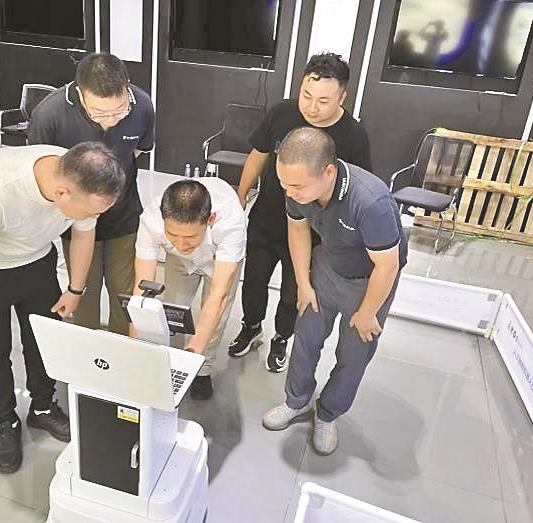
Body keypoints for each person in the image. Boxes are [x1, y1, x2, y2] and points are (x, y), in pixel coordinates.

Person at [0, 142, 125, 473]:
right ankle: (6, 420)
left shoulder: (81, 178)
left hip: (38, 264)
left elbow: (83, 235)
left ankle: (42, 407)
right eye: (91, 212)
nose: (93, 218)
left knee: (45, 341)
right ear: (61, 193)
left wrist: (75, 289)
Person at [261, 128, 407, 456]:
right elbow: (297, 228)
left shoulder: (371, 202)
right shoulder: (294, 187)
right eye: (284, 183)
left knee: (354, 354)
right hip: (326, 266)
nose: (289, 192)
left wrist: (367, 312)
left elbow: (387, 266)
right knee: (307, 337)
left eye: (297, 186)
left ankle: (328, 414)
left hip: (368, 281)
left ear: (328, 172)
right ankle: (296, 401)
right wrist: (303, 283)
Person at [231, 52, 372, 373]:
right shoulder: (282, 113)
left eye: (323, 101)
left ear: (342, 97)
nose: (311, 107)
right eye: (306, 95)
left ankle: (281, 337)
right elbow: (258, 154)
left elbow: (358, 188)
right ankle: (251, 327)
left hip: (314, 233)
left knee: (294, 291)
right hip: (266, 220)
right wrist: (241, 194)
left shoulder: (353, 136)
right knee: (253, 281)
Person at [28, 52, 155, 335]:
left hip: (123, 215)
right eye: (99, 113)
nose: (111, 121)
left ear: (126, 88)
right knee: (83, 291)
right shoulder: (49, 115)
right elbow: (42, 169)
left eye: (119, 111)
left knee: (124, 293)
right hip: (75, 219)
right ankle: (88, 353)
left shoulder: (142, 105)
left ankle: (122, 350)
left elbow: (137, 152)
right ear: (79, 94)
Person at [132, 178, 247, 400]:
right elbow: (142, 288)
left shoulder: (230, 223)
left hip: (219, 259)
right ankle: (167, 359)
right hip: (178, 262)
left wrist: (192, 355)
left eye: (190, 236)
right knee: (171, 307)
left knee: (216, 315)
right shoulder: (151, 219)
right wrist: (138, 346)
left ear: (210, 219)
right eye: (172, 235)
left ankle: (203, 370)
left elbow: (218, 296)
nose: (181, 244)